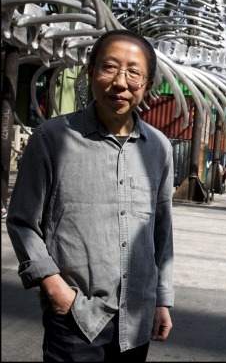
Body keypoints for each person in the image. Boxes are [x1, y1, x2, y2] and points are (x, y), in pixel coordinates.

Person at [7, 29, 173, 360]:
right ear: (90, 71)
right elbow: (23, 221)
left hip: (137, 317)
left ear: (148, 84)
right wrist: (56, 291)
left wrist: (162, 300)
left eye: (134, 72)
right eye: (109, 67)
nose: (121, 82)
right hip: (76, 318)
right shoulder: (52, 138)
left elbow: (161, 231)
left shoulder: (159, 147)